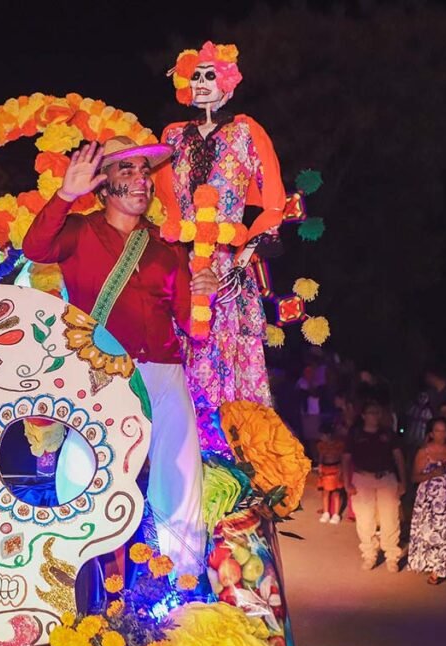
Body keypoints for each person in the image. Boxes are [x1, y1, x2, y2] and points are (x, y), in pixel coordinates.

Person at [23, 138, 219, 575]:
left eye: (144, 172)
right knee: (82, 468)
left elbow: (188, 322)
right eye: (127, 172)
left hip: (165, 371)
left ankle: (184, 585)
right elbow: (34, 247)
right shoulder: (79, 231)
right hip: (103, 374)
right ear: (104, 186)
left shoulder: (167, 246)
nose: (141, 180)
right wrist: (64, 195)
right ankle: (73, 577)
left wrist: (205, 292)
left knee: (179, 474)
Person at [154, 42, 285, 427]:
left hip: (229, 267)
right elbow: (164, 204)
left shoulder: (246, 131)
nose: (201, 83)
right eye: (195, 76)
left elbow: (273, 206)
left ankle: (231, 455)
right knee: (181, 350)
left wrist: (241, 260)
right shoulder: (174, 136)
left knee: (228, 352)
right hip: (182, 265)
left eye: (210, 75)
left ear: (227, 83)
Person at [343, 401, 408, 571]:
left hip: (386, 478)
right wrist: (346, 482)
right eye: (371, 412)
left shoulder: (388, 434)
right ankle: (369, 554)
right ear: (364, 416)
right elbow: (346, 458)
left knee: (390, 517)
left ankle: (392, 556)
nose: (375, 416)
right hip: (363, 478)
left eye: (377, 412)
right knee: (365, 519)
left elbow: (398, 457)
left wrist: (402, 481)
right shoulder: (355, 434)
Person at [407, 418, 446, 591]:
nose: (442, 434)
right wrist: (433, 474)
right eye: (438, 431)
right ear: (431, 433)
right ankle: (436, 570)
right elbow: (414, 477)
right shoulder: (424, 452)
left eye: (444, 430)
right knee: (434, 536)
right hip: (431, 503)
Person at [315, 422, 345, 524]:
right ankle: (326, 512)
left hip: (336, 468)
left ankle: (336, 514)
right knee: (325, 492)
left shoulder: (338, 445)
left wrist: (341, 470)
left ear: (328, 435)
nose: (321, 437)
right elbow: (321, 457)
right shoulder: (321, 445)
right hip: (325, 469)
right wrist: (319, 467)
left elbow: (341, 457)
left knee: (336, 493)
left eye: (322, 435)